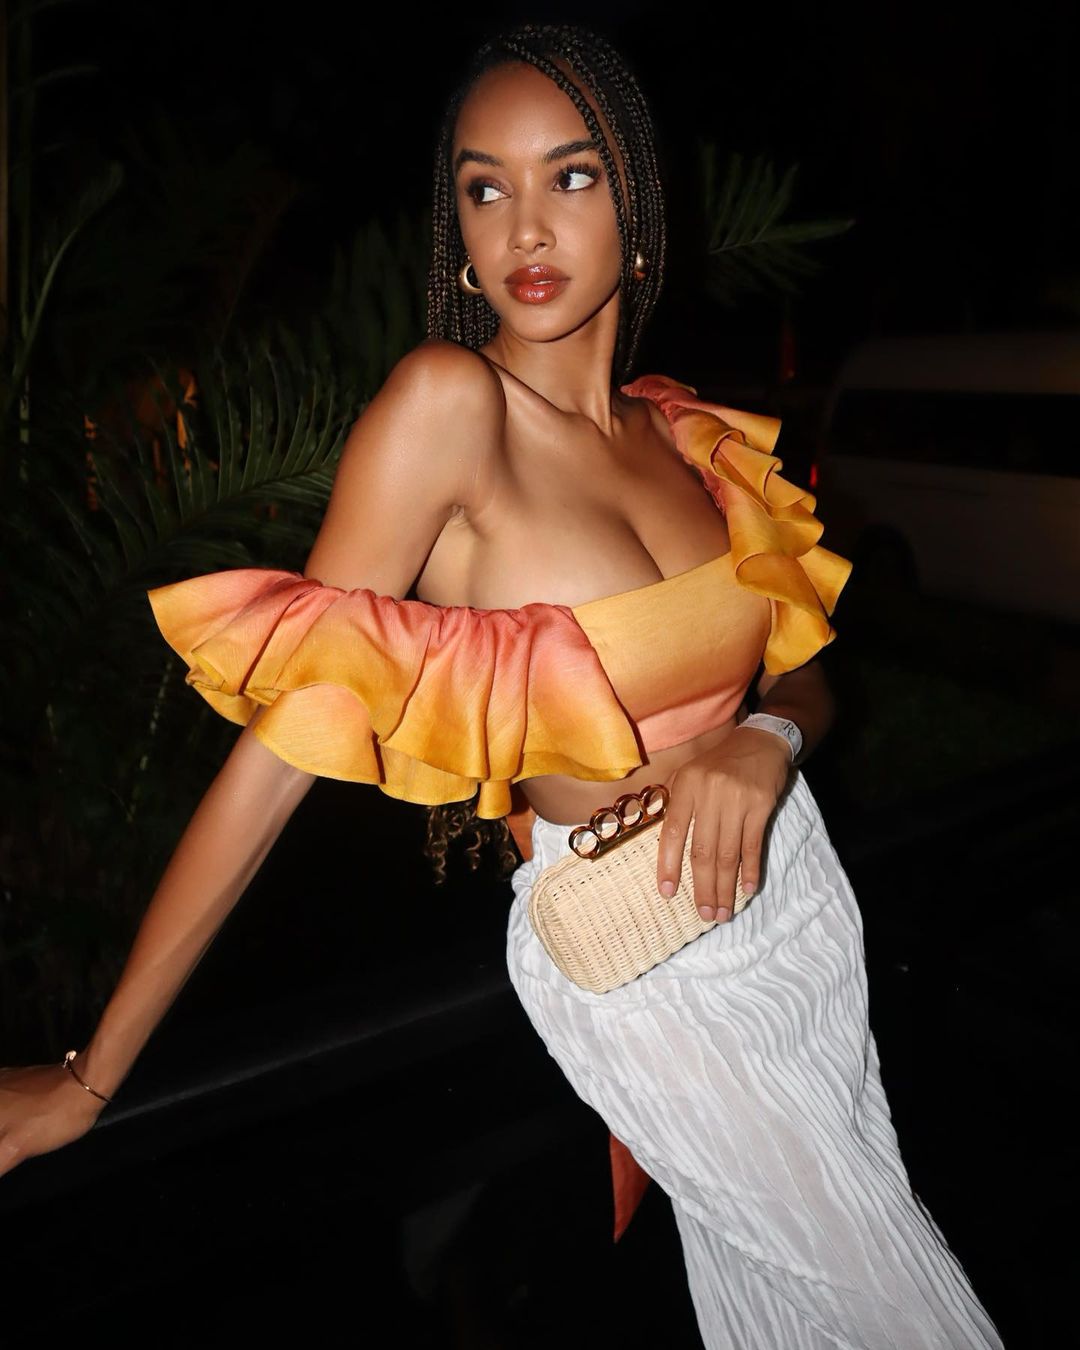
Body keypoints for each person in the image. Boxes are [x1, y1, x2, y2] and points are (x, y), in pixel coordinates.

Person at [0, 21, 1002, 1349]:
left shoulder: (684, 434)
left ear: (637, 209)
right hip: (640, 957)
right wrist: (89, 1075)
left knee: (799, 1299)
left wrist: (760, 738)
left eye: (569, 176)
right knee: (895, 1302)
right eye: (486, 188)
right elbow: (279, 755)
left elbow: (812, 684)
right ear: (459, 233)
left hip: (798, 905)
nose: (525, 225)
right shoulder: (448, 410)